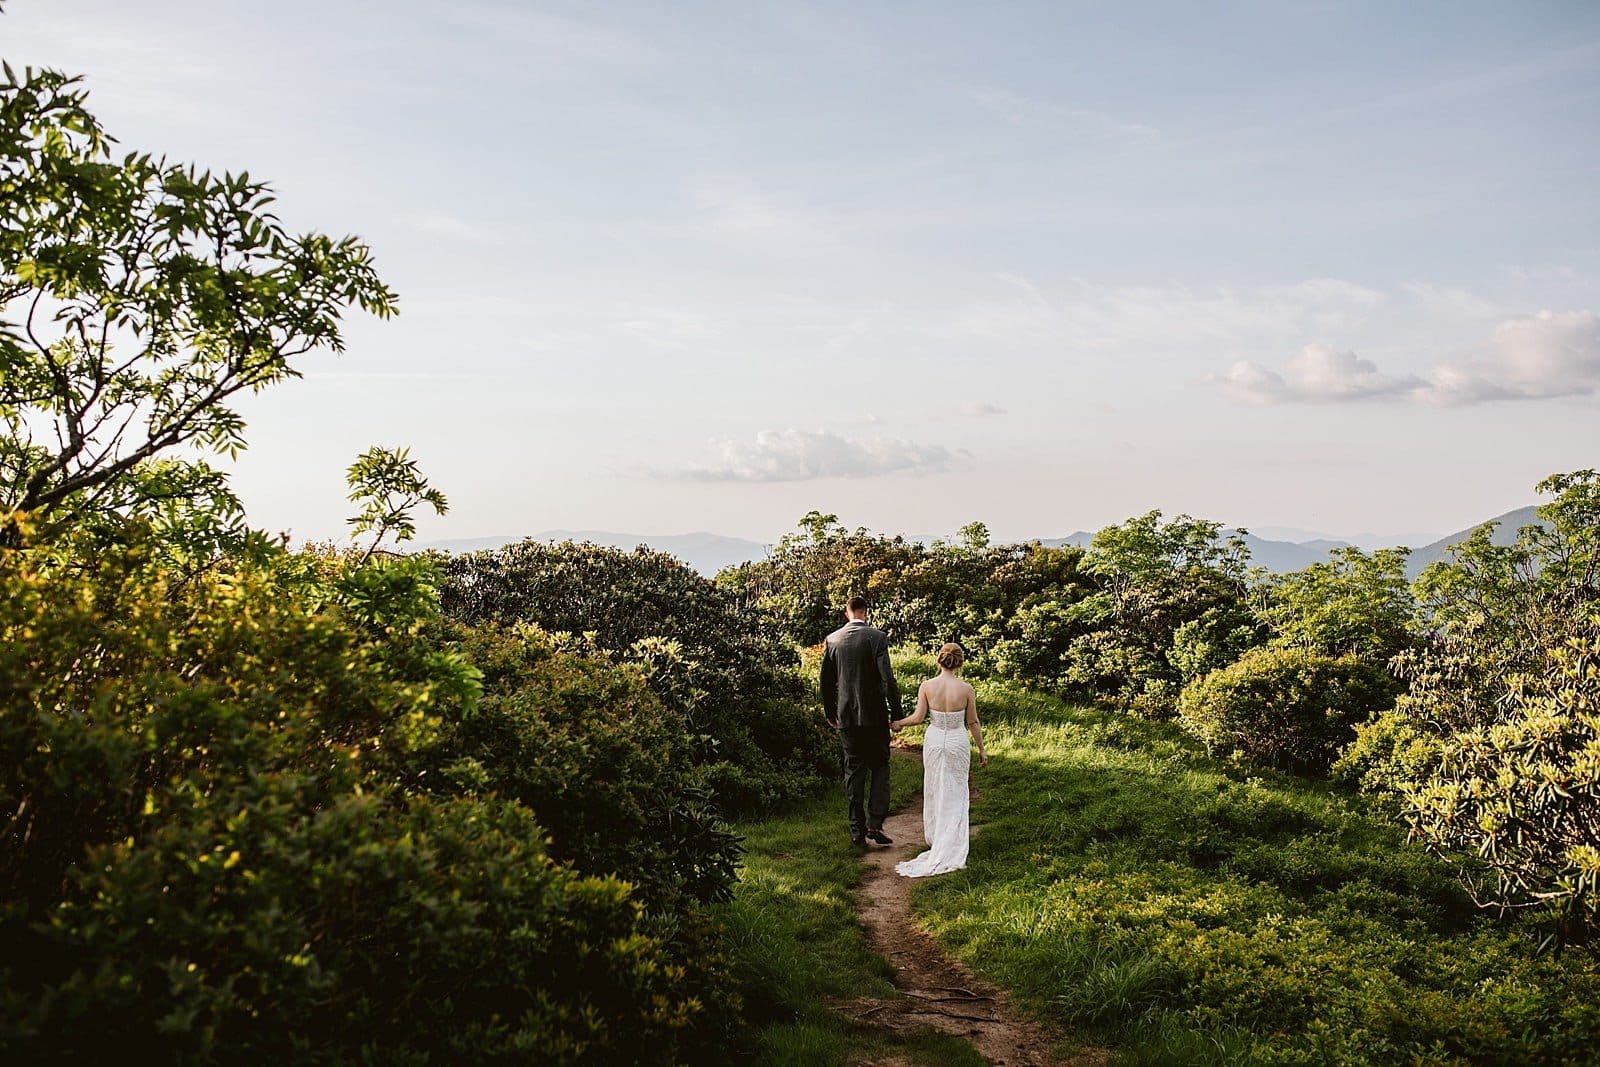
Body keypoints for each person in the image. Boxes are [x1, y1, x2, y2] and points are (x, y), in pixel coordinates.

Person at [890, 642, 986, 878]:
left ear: (939, 660)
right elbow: (972, 723)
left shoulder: (927, 686)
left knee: (935, 788)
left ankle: (937, 838)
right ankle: (950, 841)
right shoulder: (966, 689)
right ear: (960, 662)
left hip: (934, 741)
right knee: (956, 790)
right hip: (956, 742)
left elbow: (918, 717)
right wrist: (982, 750)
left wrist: (899, 723)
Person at [820, 595, 900, 848]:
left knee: (853, 770)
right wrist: (896, 713)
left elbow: (826, 682)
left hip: (846, 717)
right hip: (874, 716)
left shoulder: (833, 640)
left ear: (847, 613)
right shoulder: (877, 637)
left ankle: (856, 830)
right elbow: (887, 679)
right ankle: (875, 824)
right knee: (880, 767)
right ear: (866, 612)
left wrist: (830, 713)